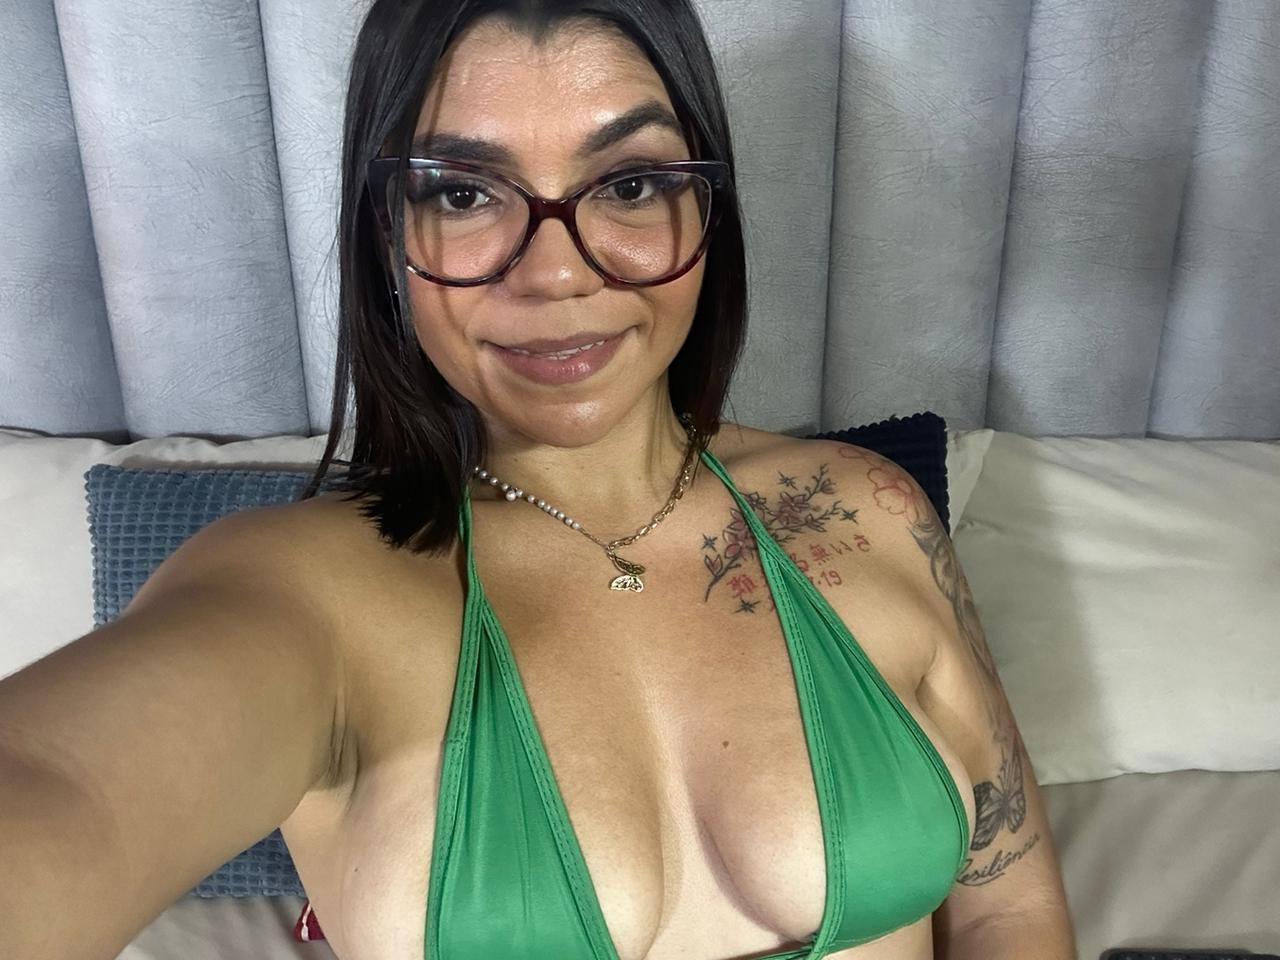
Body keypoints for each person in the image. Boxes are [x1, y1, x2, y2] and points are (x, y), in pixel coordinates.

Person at [0, 1, 1076, 957]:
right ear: (387, 233)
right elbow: (63, 790)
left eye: (631, 184)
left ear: (708, 209)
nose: (556, 272)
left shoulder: (865, 508)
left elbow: (1007, 908)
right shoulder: (299, 595)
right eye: (465, 193)